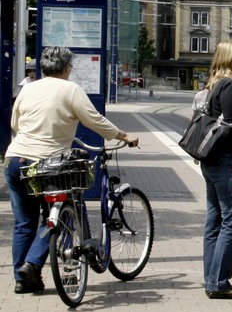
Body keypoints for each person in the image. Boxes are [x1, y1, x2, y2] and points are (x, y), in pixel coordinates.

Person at [4, 47, 139, 295]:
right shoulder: (71, 90)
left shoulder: (29, 88)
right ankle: (32, 264)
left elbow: (15, 122)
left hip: (16, 159)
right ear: (66, 68)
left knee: (24, 222)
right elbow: (94, 120)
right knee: (57, 216)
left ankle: (22, 279)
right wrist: (123, 135)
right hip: (48, 164)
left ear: (43, 68)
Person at [199, 40, 232, 300]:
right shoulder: (229, 85)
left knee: (214, 222)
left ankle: (211, 278)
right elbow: (230, 126)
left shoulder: (214, 85)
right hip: (225, 161)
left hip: (210, 161)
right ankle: (219, 282)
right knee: (231, 222)